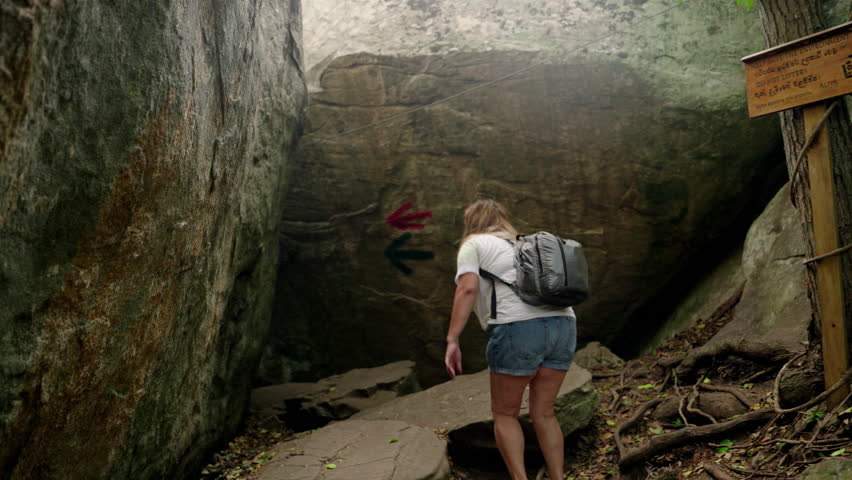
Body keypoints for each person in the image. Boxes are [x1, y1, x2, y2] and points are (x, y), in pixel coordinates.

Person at [444, 199, 577, 480]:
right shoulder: (526, 243)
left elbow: (467, 290)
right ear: (503, 219)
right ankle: (558, 477)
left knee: (505, 414)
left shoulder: (474, 244)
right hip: (564, 324)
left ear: (471, 223)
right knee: (545, 413)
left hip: (517, 329)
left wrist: (452, 339)